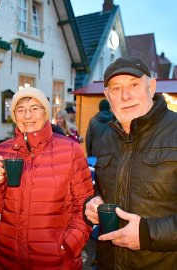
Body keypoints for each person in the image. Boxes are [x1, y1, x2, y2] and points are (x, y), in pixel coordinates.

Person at [0, 87, 94, 269]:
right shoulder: (2, 151)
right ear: (14, 115)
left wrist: (67, 246)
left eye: (34, 108)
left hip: (56, 262)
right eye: (20, 110)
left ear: (45, 113)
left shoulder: (70, 150)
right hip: (9, 260)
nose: (27, 116)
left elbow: (84, 207)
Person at [84, 56, 177, 269]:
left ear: (151, 87)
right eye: (116, 88)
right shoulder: (105, 138)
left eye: (134, 85)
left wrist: (147, 234)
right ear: (107, 95)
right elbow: (102, 189)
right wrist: (91, 204)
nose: (125, 96)